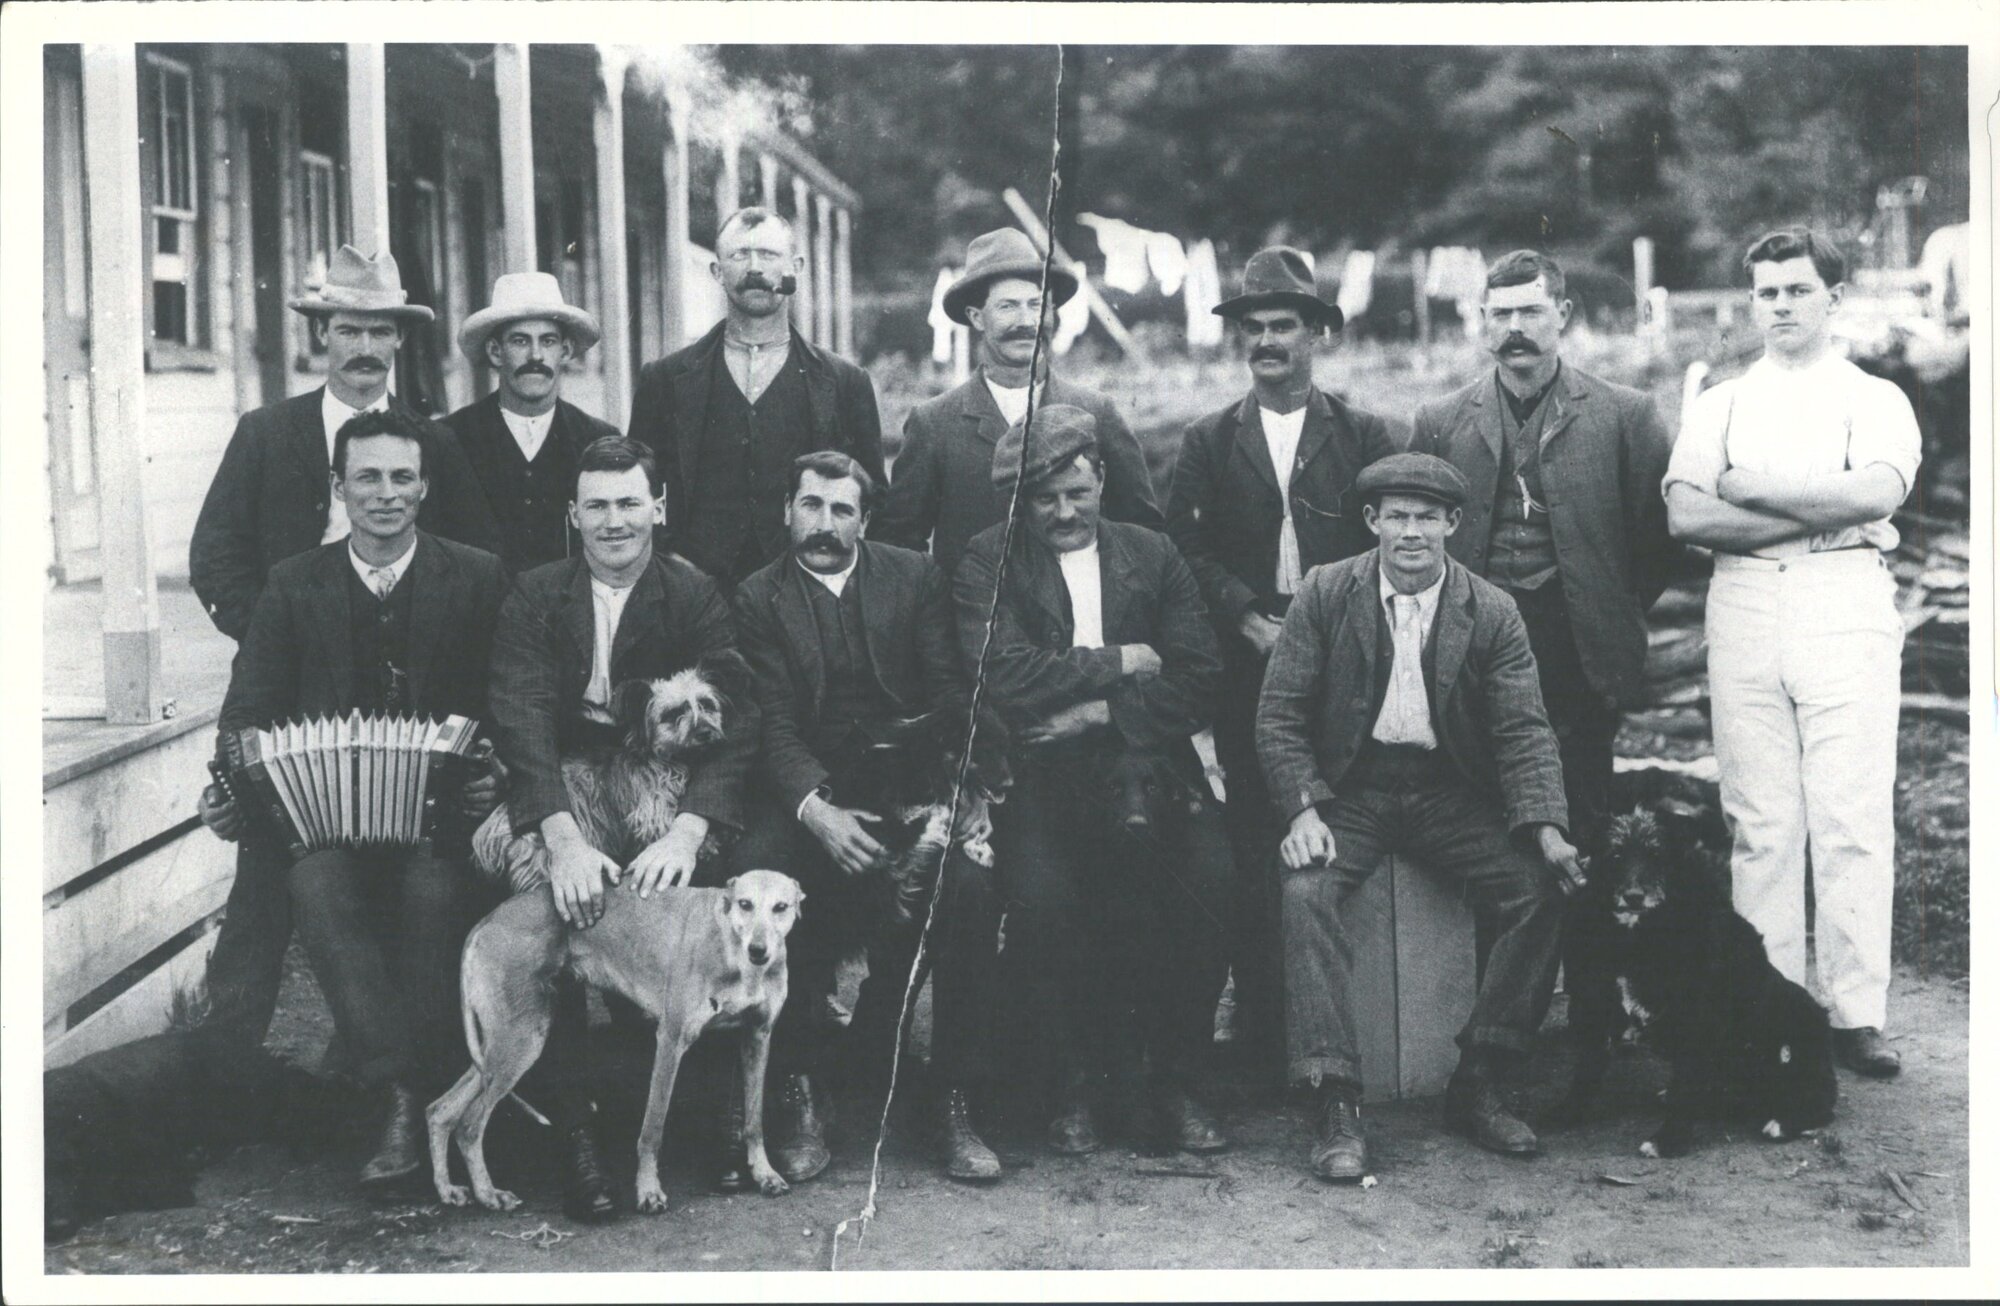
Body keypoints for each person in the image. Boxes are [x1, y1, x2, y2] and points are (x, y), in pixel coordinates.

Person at [189, 245, 499, 1064]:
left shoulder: (429, 442)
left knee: (424, 883)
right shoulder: (268, 433)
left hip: (418, 706)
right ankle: (222, 1076)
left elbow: (471, 564)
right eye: (349, 330)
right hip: (295, 695)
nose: (364, 347)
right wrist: (283, 633)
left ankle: (390, 1065)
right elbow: (213, 553)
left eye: (381, 333)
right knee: (267, 889)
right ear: (323, 333)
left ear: (398, 342)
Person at [1256, 452, 1584, 1181]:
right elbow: (1279, 715)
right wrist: (1304, 807)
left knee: (1537, 887)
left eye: (1428, 518)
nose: (1412, 533)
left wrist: (1546, 826)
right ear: (1372, 522)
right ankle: (1335, 1095)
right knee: (1307, 890)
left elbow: (1523, 729)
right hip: (1354, 790)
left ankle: (1482, 1078)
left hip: (1446, 792)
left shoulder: (1491, 608)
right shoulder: (1324, 592)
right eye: (1397, 517)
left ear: (1453, 525)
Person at [204, 408, 507, 1193]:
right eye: (367, 478)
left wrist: (493, 772)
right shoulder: (293, 582)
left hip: (439, 823)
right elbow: (246, 713)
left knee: (434, 888)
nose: (385, 494)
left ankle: (417, 1085)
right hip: (328, 826)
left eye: (402, 477)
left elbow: (510, 702)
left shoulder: (474, 575)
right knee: (316, 882)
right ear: (339, 488)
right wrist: (231, 786)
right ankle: (400, 1093)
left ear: (425, 486)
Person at [1663, 227, 1920, 1079]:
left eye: (1798, 290)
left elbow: (1877, 490)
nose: (1780, 306)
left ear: (1834, 299)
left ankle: (1856, 1014)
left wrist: (1755, 492)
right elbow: (1688, 517)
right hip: (1743, 602)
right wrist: (1813, 509)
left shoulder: (1874, 397)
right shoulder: (1721, 402)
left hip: (1843, 596)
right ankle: (1762, 1005)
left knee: (1848, 816)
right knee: (1762, 818)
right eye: (1767, 292)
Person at [484, 436, 759, 1218]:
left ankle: (692, 1122)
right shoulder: (537, 594)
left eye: (629, 502)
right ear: (573, 515)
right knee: (557, 912)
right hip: (569, 795)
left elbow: (734, 721)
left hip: (665, 789)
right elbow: (522, 717)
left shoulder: (696, 593)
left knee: (681, 920)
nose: (614, 521)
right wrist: (562, 838)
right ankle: (576, 1134)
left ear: (658, 509)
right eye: (597, 505)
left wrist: (688, 832)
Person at [954, 404, 1232, 1157]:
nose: (1063, 512)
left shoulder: (1152, 552)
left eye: (1077, 491)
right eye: (1043, 499)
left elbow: (1202, 675)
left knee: (1211, 880)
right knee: (1045, 904)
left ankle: (1176, 1080)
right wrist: (1121, 661)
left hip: (1146, 765)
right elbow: (999, 672)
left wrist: (1100, 714)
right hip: (1036, 774)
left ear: (1103, 478)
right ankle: (1072, 1084)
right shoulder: (989, 560)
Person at [729, 451, 1003, 1183]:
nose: (825, 524)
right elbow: (772, 724)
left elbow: (951, 693)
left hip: (906, 783)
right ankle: (796, 1089)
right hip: (809, 794)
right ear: (787, 510)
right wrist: (815, 810)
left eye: (842, 509)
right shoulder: (757, 598)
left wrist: (959, 789)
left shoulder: (913, 577)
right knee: (765, 869)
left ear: (867, 519)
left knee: (970, 893)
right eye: (811, 506)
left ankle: (949, 1095)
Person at [1166, 246, 1398, 1067]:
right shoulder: (1208, 440)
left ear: (1317, 336)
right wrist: (1242, 617)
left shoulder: (1365, 435)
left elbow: (1388, 545)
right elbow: (1181, 549)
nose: (1267, 342)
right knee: (1257, 837)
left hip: (1341, 666)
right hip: (1247, 667)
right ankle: (1264, 1030)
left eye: (1284, 327)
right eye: (1254, 328)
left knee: (1337, 827)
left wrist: (1328, 630)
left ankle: (1346, 1027)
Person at [1409, 250, 1676, 849]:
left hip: (1580, 647)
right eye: (1500, 314)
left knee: (1582, 809)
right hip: (1475, 643)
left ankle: (1579, 942)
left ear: (1563, 313)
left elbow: (1655, 543)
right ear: (1481, 320)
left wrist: (1605, 605)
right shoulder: (1440, 420)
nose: (1515, 329)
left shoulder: (1626, 416)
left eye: (1530, 311)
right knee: (1480, 811)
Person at [875, 227, 1164, 578]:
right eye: (1008, 307)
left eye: (1037, 305)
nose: (1026, 322)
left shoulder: (1096, 412)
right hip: (976, 624)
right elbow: (897, 549)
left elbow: (1144, 535)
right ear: (977, 317)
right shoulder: (934, 423)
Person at [625, 207, 885, 590]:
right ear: (717, 271)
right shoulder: (664, 380)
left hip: (806, 596)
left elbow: (874, 502)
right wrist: (670, 564)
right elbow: (634, 489)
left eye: (768, 255)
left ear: (794, 267)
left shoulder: (845, 383)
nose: (754, 268)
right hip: (692, 596)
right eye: (739, 255)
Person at [444, 272, 621, 573]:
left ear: (565, 351)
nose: (535, 355)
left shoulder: (598, 440)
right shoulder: (450, 438)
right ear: (495, 352)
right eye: (520, 341)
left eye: (548, 341)